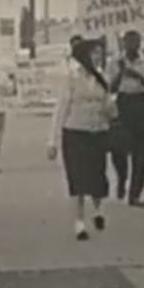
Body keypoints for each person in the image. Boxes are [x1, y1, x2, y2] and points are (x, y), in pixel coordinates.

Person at [47, 39, 117, 241]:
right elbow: (61, 109)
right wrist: (52, 141)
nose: (97, 57)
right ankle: (79, 222)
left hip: (98, 132)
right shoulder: (71, 78)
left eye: (99, 53)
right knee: (77, 178)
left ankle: (98, 211)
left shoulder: (102, 77)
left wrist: (111, 107)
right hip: (76, 132)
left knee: (97, 175)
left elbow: (109, 108)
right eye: (94, 53)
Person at [106, 30, 144, 207]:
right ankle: (122, 178)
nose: (131, 45)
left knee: (140, 149)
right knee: (118, 147)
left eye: (135, 41)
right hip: (122, 102)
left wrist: (137, 76)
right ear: (123, 43)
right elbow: (110, 88)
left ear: (140, 43)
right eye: (128, 42)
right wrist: (121, 73)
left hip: (140, 103)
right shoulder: (115, 62)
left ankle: (135, 193)